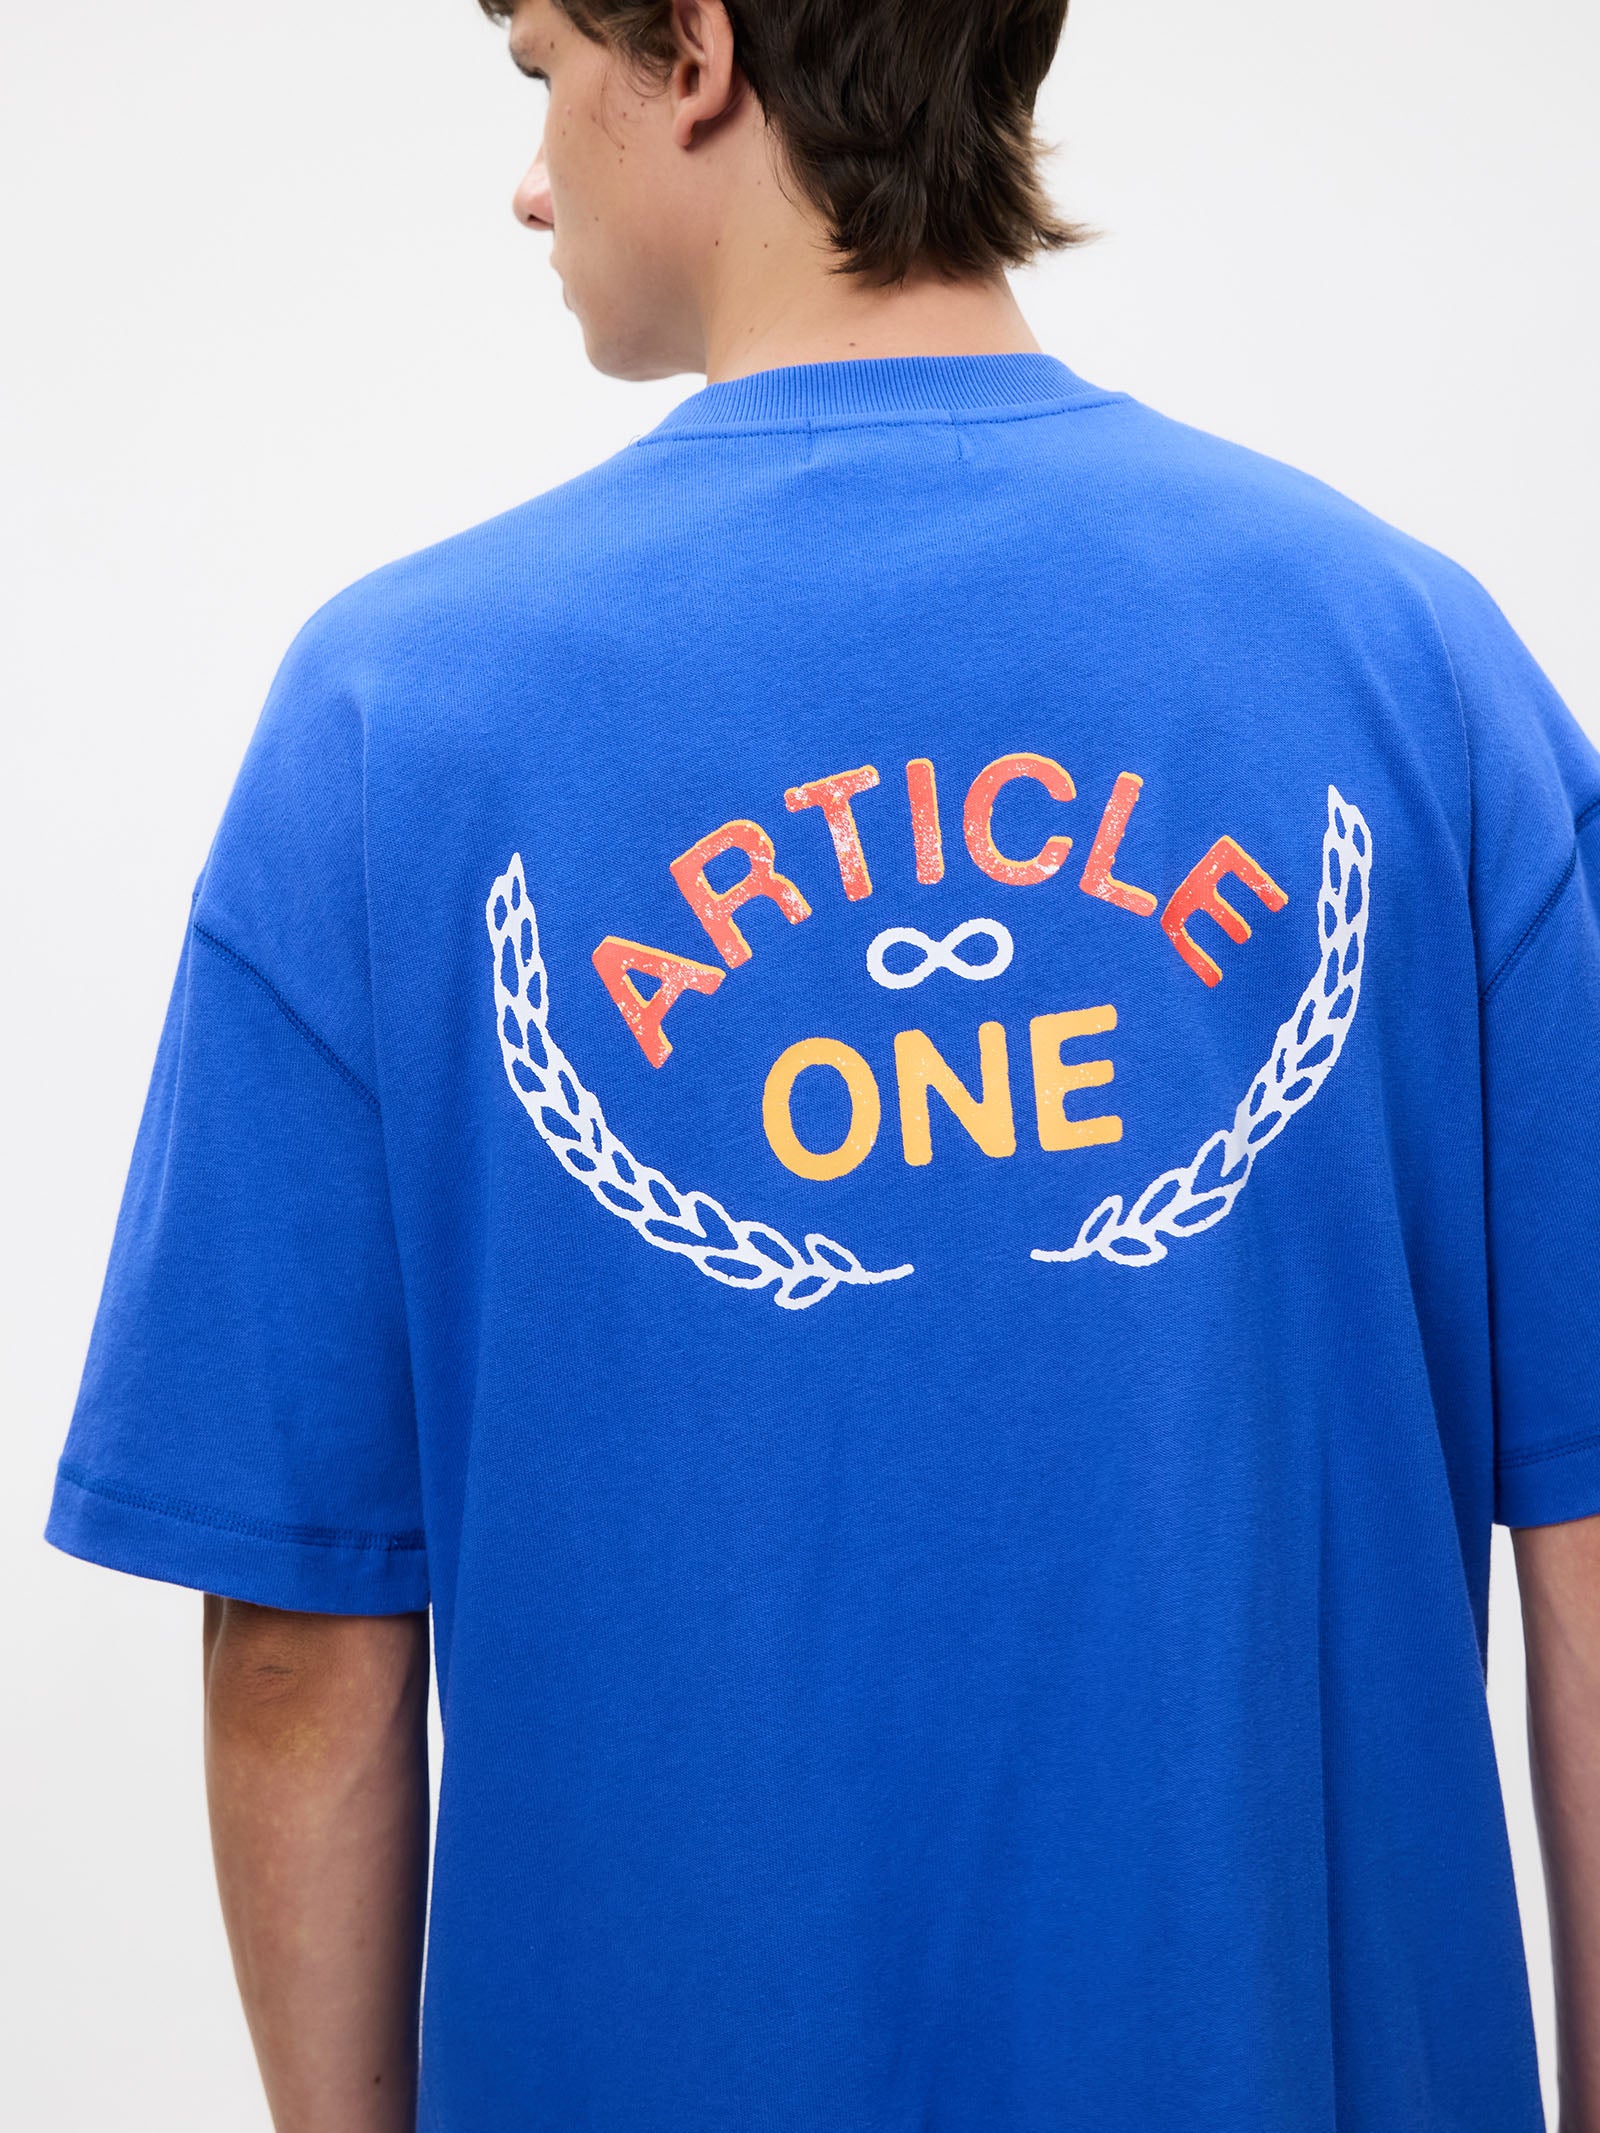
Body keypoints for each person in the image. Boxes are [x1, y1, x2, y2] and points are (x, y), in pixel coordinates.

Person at [45, 0, 1600, 2127]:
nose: (529, 180)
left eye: (537, 71)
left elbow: (303, 1644)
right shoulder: (1415, 665)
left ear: (691, 53)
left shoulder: (392, 721)